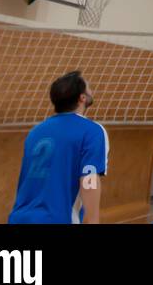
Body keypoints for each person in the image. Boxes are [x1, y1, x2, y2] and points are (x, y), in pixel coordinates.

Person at [9, 71, 109, 224]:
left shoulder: (36, 131)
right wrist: (93, 221)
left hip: (19, 218)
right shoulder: (92, 131)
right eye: (89, 88)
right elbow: (89, 179)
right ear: (82, 98)